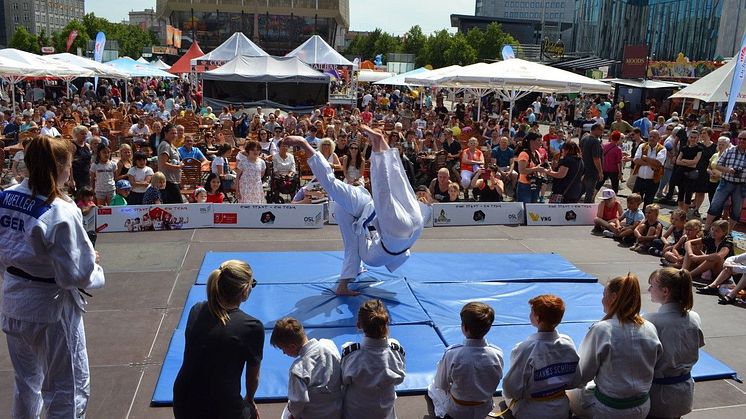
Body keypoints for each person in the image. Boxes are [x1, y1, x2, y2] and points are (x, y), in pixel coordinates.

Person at [0, 135, 105, 418]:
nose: (70, 171)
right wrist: (94, 265)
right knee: (67, 391)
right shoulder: (61, 209)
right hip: (51, 311)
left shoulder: (4, 198)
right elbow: (77, 275)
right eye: (69, 164)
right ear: (60, 166)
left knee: (26, 384)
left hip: (13, 302)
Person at [283, 125, 431, 296]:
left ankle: (378, 146)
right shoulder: (354, 209)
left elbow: (352, 248)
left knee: (387, 190)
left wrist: (304, 144)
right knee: (398, 186)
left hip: (397, 233)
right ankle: (380, 145)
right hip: (411, 224)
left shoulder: (356, 215)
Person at [173, 260, 263, 419]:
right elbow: (253, 378)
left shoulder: (197, 310)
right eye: (252, 284)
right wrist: (249, 400)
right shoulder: (251, 327)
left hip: (183, 402)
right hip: (221, 408)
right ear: (244, 291)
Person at [568, 274, 662, 419]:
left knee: (569, 394)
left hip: (609, 410)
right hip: (642, 407)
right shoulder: (650, 328)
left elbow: (583, 375)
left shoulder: (602, 330)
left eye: (603, 294)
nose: (602, 299)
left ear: (613, 297)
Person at [502, 295, 581, 419]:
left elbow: (511, 389)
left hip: (531, 412)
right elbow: (575, 380)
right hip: (561, 409)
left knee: (505, 395)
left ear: (537, 318)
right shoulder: (568, 343)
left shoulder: (524, 349)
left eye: (532, 312)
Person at [644, 268, 704, 418]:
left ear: (665, 291)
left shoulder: (651, 321)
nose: (649, 289)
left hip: (658, 397)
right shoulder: (694, 317)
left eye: (652, 285)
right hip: (684, 393)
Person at [427, 302, 504, 419]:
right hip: (483, 408)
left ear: (464, 328)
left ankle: (442, 414)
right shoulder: (497, 354)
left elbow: (441, 384)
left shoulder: (453, 354)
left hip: (457, 411)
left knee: (433, 387)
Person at [340, 300, 405, 419]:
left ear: (359, 325)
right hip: (385, 411)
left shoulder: (352, 353)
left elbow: (344, 381)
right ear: (387, 321)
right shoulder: (396, 350)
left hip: (356, 413)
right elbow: (399, 379)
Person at [270, 317, 343, 419]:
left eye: (283, 349)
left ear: (292, 346)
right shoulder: (329, 345)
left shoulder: (298, 369)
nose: (283, 353)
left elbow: (298, 401)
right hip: (336, 411)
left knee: (287, 412)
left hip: (314, 415)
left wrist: (292, 415)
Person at [704, 130, 746, 232]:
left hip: (741, 184)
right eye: (740, 138)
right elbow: (718, 165)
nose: (741, 140)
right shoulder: (729, 150)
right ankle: (706, 229)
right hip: (726, 182)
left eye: (744, 139)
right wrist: (729, 170)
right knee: (715, 205)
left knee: (736, 210)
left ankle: (729, 232)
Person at [632, 130, 666, 209]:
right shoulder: (642, 146)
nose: (652, 138)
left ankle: (645, 219)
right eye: (650, 136)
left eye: (654, 137)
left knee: (648, 203)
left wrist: (645, 158)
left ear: (659, 138)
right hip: (640, 179)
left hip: (653, 181)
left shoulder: (662, 149)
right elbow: (636, 160)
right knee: (633, 200)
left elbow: (658, 163)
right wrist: (650, 164)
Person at [671, 129, 703, 213]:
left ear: (698, 138)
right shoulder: (684, 148)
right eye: (691, 137)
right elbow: (677, 161)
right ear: (689, 138)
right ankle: (679, 211)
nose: (693, 139)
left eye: (695, 137)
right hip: (681, 173)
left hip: (691, 174)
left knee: (688, 193)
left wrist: (684, 161)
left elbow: (695, 163)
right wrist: (689, 162)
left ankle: (684, 212)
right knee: (681, 192)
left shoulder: (699, 149)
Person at [515, 133, 547, 204]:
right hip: (525, 185)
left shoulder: (537, 153)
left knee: (532, 209)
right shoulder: (524, 154)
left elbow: (538, 167)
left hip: (535, 184)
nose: (541, 142)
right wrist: (536, 169)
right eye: (538, 140)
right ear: (531, 141)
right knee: (525, 208)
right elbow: (521, 170)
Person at [157, 123, 184, 204]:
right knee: (178, 205)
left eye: (175, 133)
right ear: (165, 133)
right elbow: (163, 163)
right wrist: (179, 167)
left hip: (174, 180)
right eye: (172, 133)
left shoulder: (171, 145)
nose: (174, 135)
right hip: (168, 181)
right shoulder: (165, 145)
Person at [579, 123, 604, 203]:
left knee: (581, 190)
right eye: (601, 130)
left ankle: (573, 203)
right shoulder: (595, 142)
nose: (602, 133)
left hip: (584, 169)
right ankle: (587, 210)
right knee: (590, 192)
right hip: (592, 170)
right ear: (596, 129)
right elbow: (596, 158)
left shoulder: (584, 138)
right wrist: (600, 172)